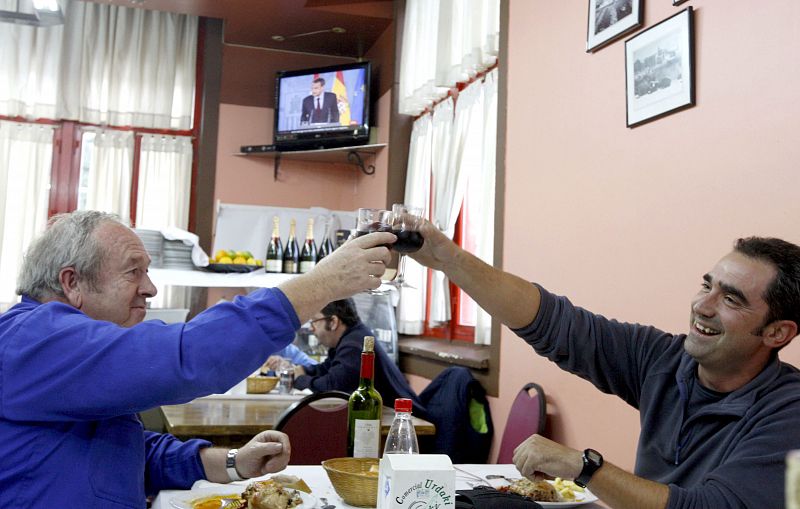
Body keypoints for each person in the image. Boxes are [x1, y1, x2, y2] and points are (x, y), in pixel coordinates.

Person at [0, 210, 393, 508]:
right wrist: (323, 283)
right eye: (133, 272)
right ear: (72, 283)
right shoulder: (32, 339)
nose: (150, 289)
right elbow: (188, 356)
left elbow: (121, 448)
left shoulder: (60, 352)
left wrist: (233, 461)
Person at [410, 223, 800, 509]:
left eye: (731, 300)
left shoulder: (788, 412)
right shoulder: (664, 359)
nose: (703, 305)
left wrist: (585, 468)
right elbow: (554, 324)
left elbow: (706, 507)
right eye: (706, 285)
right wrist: (450, 259)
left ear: (777, 333)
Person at [292, 298, 420, 410]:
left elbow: (331, 389)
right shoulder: (350, 338)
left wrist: (300, 379)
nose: (310, 328)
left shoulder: (354, 346)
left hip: (405, 421)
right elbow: (326, 370)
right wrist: (303, 370)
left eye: (314, 321)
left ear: (333, 322)